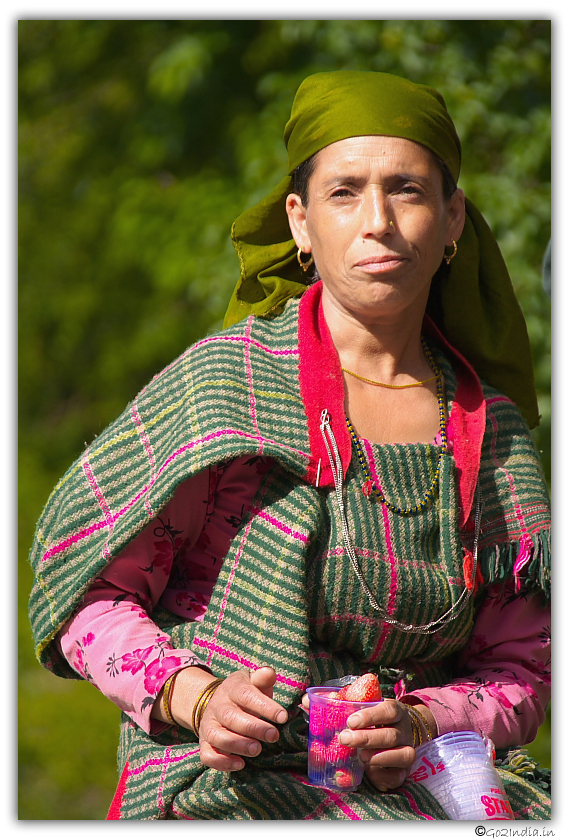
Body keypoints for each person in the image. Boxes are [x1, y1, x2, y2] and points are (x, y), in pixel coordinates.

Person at [28, 71, 551, 821]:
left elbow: (522, 669)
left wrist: (423, 720)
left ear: (452, 218)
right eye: (345, 193)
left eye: (406, 188)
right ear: (301, 223)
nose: (378, 221)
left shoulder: (489, 434)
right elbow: (89, 596)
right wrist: (198, 696)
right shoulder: (223, 386)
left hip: (427, 787)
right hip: (226, 785)